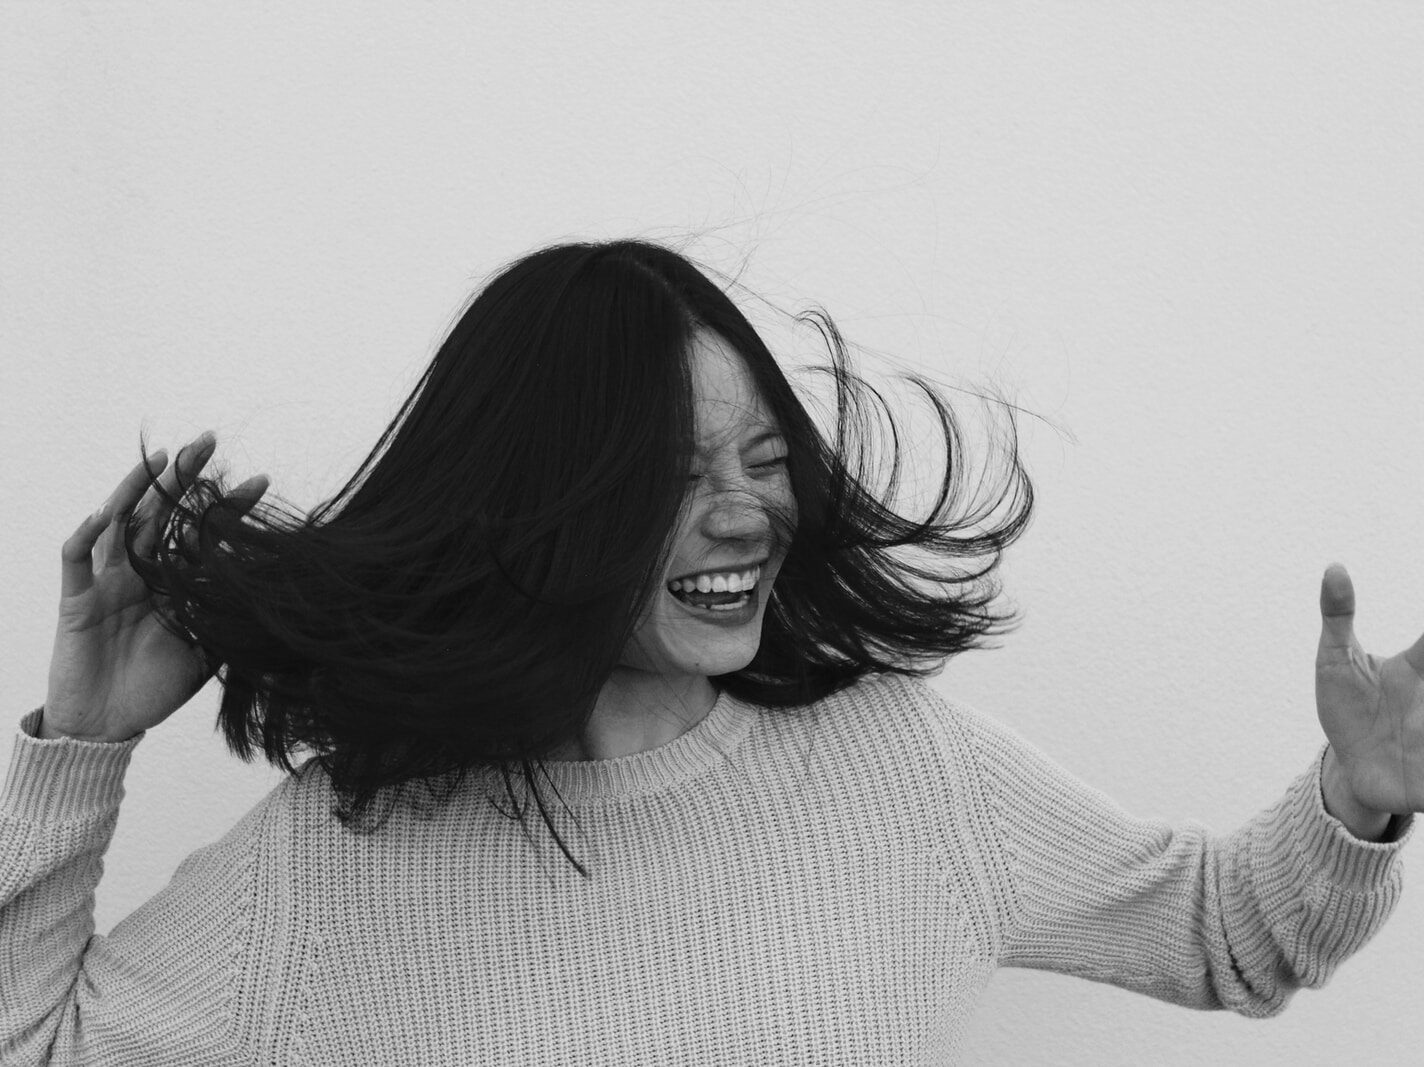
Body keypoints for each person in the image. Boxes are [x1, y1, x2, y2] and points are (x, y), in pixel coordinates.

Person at [1, 239, 1417, 1065]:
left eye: (759, 456)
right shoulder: (337, 859)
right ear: (539, 512)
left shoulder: (899, 767)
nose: (745, 512)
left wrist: (1360, 799)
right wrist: (82, 745)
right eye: (673, 476)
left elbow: (1227, 933)